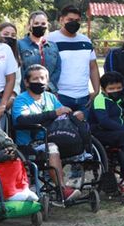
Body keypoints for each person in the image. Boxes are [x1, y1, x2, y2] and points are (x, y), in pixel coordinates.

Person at [11, 65, 89, 198]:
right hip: (30, 144)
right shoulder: (21, 100)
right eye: (35, 78)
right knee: (52, 148)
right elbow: (22, 120)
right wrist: (53, 114)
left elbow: (61, 114)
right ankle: (61, 189)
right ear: (26, 82)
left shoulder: (50, 97)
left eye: (43, 78)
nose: (40, 81)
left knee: (76, 129)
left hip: (53, 137)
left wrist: (74, 115)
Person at [50, 5, 99, 112]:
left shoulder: (86, 41)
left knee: (84, 128)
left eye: (77, 20)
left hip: (83, 98)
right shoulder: (50, 39)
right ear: (61, 20)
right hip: (60, 96)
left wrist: (96, 90)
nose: (74, 23)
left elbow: (93, 67)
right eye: (70, 20)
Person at [16, 11, 61, 89]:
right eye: (36, 23)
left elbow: (58, 69)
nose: (40, 26)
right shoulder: (19, 44)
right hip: (26, 93)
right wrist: (30, 87)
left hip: (49, 93)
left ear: (47, 25)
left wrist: (47, 86)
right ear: (29, 25)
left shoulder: (53, 46)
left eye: (43, 24)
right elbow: (19, 71)